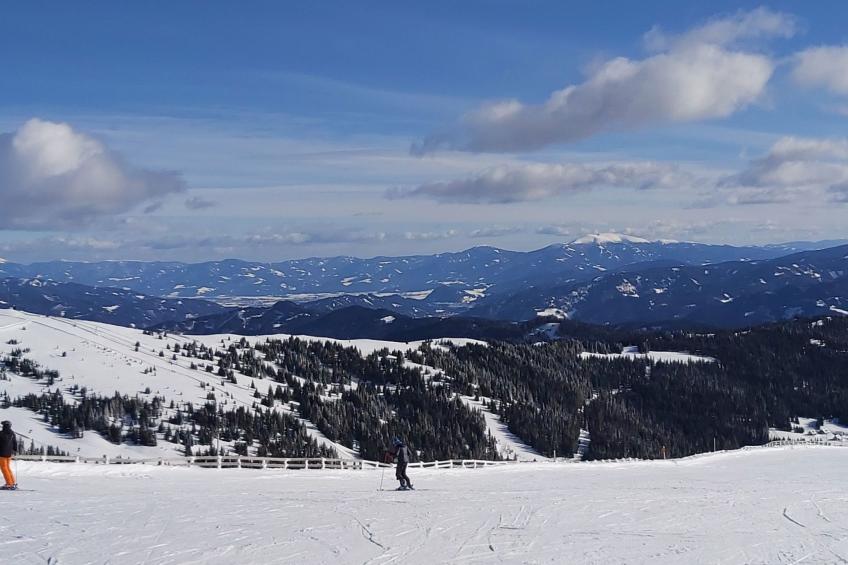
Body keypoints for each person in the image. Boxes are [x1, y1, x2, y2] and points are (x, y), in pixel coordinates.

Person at [0, 421, 17, 490]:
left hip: (1, 454)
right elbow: (15, 442)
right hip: (9, 454)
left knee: (4, 468)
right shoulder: (12, 433)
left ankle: (9, 484)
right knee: (7, 468)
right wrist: (15, 450)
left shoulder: (0, 433)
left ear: (4, 426)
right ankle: (12, 482)